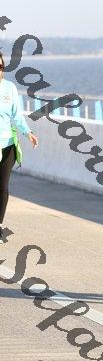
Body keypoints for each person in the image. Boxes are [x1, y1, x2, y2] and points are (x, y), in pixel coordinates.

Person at [0, 52, 39, 241]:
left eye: (0, 67)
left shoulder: (10, 88)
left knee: (2, 188)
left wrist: (27, 132)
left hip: (7, 145)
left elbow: (16, 115)